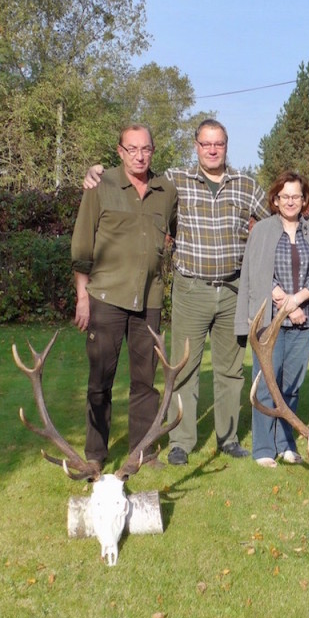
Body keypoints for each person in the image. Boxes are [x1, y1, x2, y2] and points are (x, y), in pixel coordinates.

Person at [83, 119, 309, 465]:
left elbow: (281, 215)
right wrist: (96, 171)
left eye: (218, 144)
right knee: (184, 367)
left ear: (226, 146)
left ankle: (228, 438)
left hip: (233, 290)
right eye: (205, 144)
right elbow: (133, 174)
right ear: (196, 146)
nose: (212, 150)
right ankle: (181, 442)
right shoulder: (173, 181)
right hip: (191, 289)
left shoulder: (245, 185)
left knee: (231, 370)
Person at [70, 124, 177, 464]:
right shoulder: (100, 186)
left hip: (149, 300)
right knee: (100, 379)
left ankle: (142, 452)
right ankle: (95, 454)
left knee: (145, 382)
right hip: (106, 298)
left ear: (153, 150)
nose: (139, 155)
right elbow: (82, 246)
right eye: (131, 149)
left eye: (145, 149)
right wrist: (82, 297)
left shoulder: (167, 191)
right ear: (119, 151)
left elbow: (177, 232)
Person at [234, 171, 309, 467]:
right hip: (271, 322)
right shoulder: (263, 231)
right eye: (285, 196)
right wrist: (285, 302)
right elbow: (256, 274)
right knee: (267, 384)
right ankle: (264, 448)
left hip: (303, 322)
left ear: (304, 199)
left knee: (291, 386)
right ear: (275, 199)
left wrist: (299, 300)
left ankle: (286, 442)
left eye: (296, 196)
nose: (291, 201)